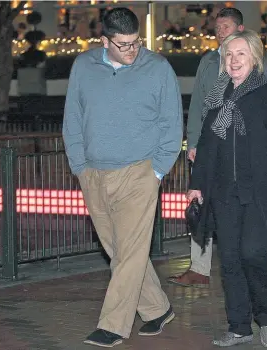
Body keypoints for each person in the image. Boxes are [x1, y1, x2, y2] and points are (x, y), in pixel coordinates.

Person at [62, 8, 182, 348]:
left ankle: (114, 325)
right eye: (123, 45)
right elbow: (73, 117)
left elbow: (172, 125)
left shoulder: (157, 68)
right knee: (119, 251)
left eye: (135, 43)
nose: (132, 51)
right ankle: (158, 308)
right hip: (94, 174)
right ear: (105, 41)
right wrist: (80, 167)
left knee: (128, 253)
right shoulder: (84, 66)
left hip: (138, 174)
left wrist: (156, 171)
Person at [187, 29, 267, 347]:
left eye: (241, 54)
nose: (234, 61)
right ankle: (239, 326)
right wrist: (196, 185)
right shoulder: (217, 97)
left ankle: (266, 317)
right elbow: (207, 145)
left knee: (252, 254)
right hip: (223, 193)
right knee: (230, 260)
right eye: (229, 55)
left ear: (255, 58)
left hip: (260, 192)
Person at [168, 7, 267, 288]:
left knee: (239, 205)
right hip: (208, 147)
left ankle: (244, 261)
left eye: (225, 27)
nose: (220, 32)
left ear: (239, 29)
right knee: (200, 204)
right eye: (217, 27)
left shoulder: (257, 62)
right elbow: (198, 104)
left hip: (241, 151)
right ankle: (199, 267)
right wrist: (193, 141)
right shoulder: (208, 61)